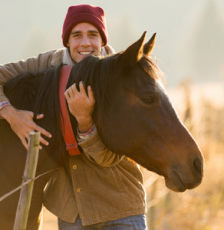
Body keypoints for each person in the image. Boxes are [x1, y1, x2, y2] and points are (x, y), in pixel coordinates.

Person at [0, 4, 147, 230]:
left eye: (93, 35)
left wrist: (85, 121)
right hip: (73, 213)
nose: (85, 43)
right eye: (76, 35)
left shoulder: (121, 74)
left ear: (103, 40)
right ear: (67, 41)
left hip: (120, 207)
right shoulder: (49, 63)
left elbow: (107, 157)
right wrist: (10, 113)